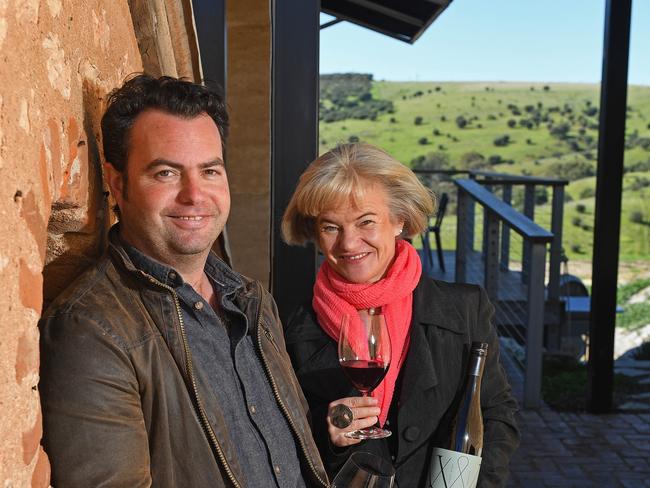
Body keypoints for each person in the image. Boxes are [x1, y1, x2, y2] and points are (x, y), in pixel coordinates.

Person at [39, 74, 328, 488]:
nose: (195, 195)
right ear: (118, 184)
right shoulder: (91, 329)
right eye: (166, 174)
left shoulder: (252, 301)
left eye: (210, 170)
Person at [281, 143, 519, 487]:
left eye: (366, 222)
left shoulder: (466, 309)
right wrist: (324, 429)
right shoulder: (290, 324)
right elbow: (276, 437)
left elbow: (497, 416)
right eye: (331, 227)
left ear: (399, 220)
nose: (349, 244)